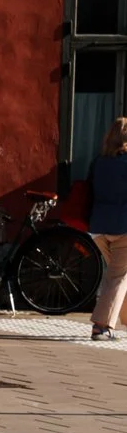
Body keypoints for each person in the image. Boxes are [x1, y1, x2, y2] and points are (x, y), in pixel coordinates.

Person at [88, 118, 127, 341]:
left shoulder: (99, 162)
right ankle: (101, 327)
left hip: (99, 229)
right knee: (118, 276)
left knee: (120, 274)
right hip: (124, 227)